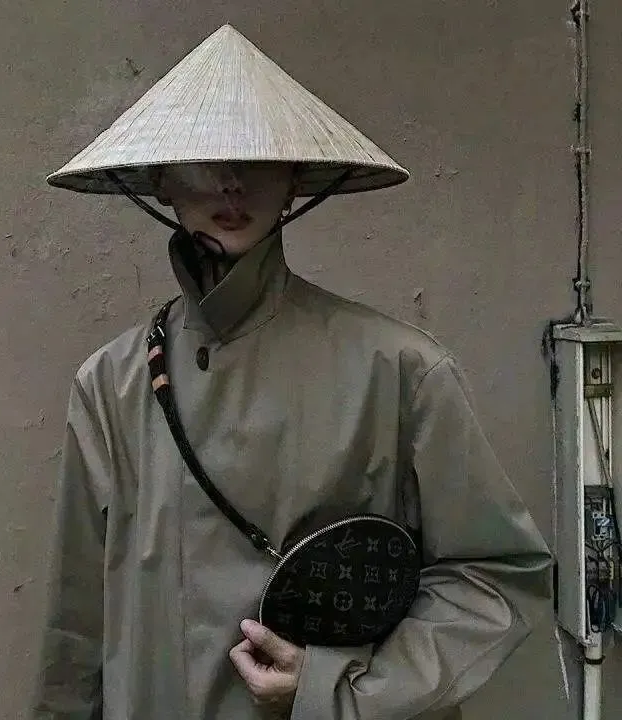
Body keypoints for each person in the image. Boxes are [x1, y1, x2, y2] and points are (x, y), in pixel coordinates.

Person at [33, 24, 551, 720]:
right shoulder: (110, 385)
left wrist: (338, 689)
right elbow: (77, 628)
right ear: (161, 180)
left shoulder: (399, 370)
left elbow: (494, 576)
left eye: (257, 158)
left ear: (294, 180)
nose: (229, 182)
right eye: (202, 160)